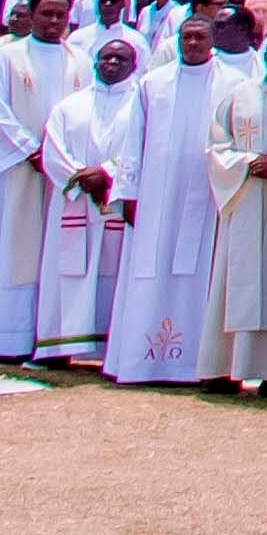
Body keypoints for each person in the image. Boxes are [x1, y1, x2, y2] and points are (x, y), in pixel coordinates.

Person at [0, 0, 81, 362]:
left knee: (56, 249)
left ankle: (53, 338)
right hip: (15, 171)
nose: (54, 22)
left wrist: (62, 159)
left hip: (60, 174)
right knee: (8, 244)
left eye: (61, 15)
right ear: (30, 14)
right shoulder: (5, 56)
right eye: (47, 14)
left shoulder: (80, 60)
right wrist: (29, 150)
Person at [99, 20, 227, 385]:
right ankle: (139, 361)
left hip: (204, 198)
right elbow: (132, 142)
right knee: (147, 269)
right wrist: (128, 192)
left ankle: (194, 364)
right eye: (187, 37)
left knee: (199, 271)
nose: (193, 43)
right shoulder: (153, 84)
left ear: (212, 41)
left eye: (200, 37)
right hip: (156, 196)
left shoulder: (230, 83)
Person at [204, 29, 267, 390]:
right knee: (237, 280)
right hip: (246, 196)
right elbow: (217, 145)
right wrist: (246, 163)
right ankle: (226, 367)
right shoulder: (240, 96)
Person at [32, 34, 139, 364]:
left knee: (114, 271)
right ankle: (58, 346)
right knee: (67, 272)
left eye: (120, 59)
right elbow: (53, 151)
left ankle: (111, 348)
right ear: (95, 63)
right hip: (74, 201)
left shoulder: (141, 103)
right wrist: (82, 177)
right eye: (106, 58)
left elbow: (140, 148)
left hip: (115, 201)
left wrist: (107, 173)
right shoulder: (70, 105)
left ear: (134, 66)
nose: (111, 63)